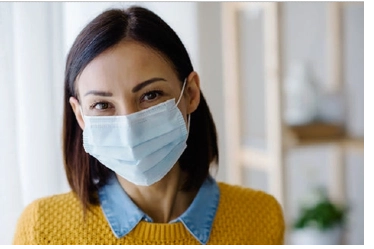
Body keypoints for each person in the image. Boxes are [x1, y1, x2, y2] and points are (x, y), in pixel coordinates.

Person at [12, 6, 285, 246]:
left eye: (150, 95)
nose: (129, 127)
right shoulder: (42, 230)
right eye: (102, 105)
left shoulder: (261, 218)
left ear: (190, 93)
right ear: (80, 115)